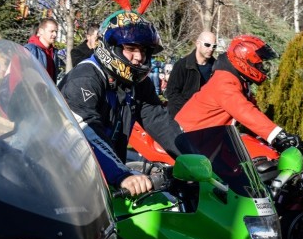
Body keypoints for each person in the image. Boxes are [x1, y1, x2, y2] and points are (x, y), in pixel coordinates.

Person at [58, 10, 195, 196]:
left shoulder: (135, 82)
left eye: (144, 50)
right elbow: (86, 131)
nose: (139, 57)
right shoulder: (84, 79)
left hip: (106, 183)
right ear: (111, 47)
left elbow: (159, 120)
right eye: (131, 48)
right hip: (66, 180)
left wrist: (194, 158)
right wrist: (121, 174)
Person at [175, 34, 302, 151]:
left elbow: (254, 111)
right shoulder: (224, 81)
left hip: (203, 139)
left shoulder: (239, 81)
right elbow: (244, 111)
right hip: (187, 139)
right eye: (259, 63)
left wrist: (267, 137)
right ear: (245, 59)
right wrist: (278, 135)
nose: (262, 67)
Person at [165, 31, 217, 119]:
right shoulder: (182, 65)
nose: (211, 49)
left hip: (207, 117)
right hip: (181, 115)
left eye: (214, 46)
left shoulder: (216, 67)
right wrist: (192, 108)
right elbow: (171, 93)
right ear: (197, 43)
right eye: (207, 45)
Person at [24, 18, 60, 83]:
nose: (55, 35)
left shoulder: (54, 52)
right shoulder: (30, 50)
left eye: (56, 31)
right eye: (51, 31)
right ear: (41, 31)